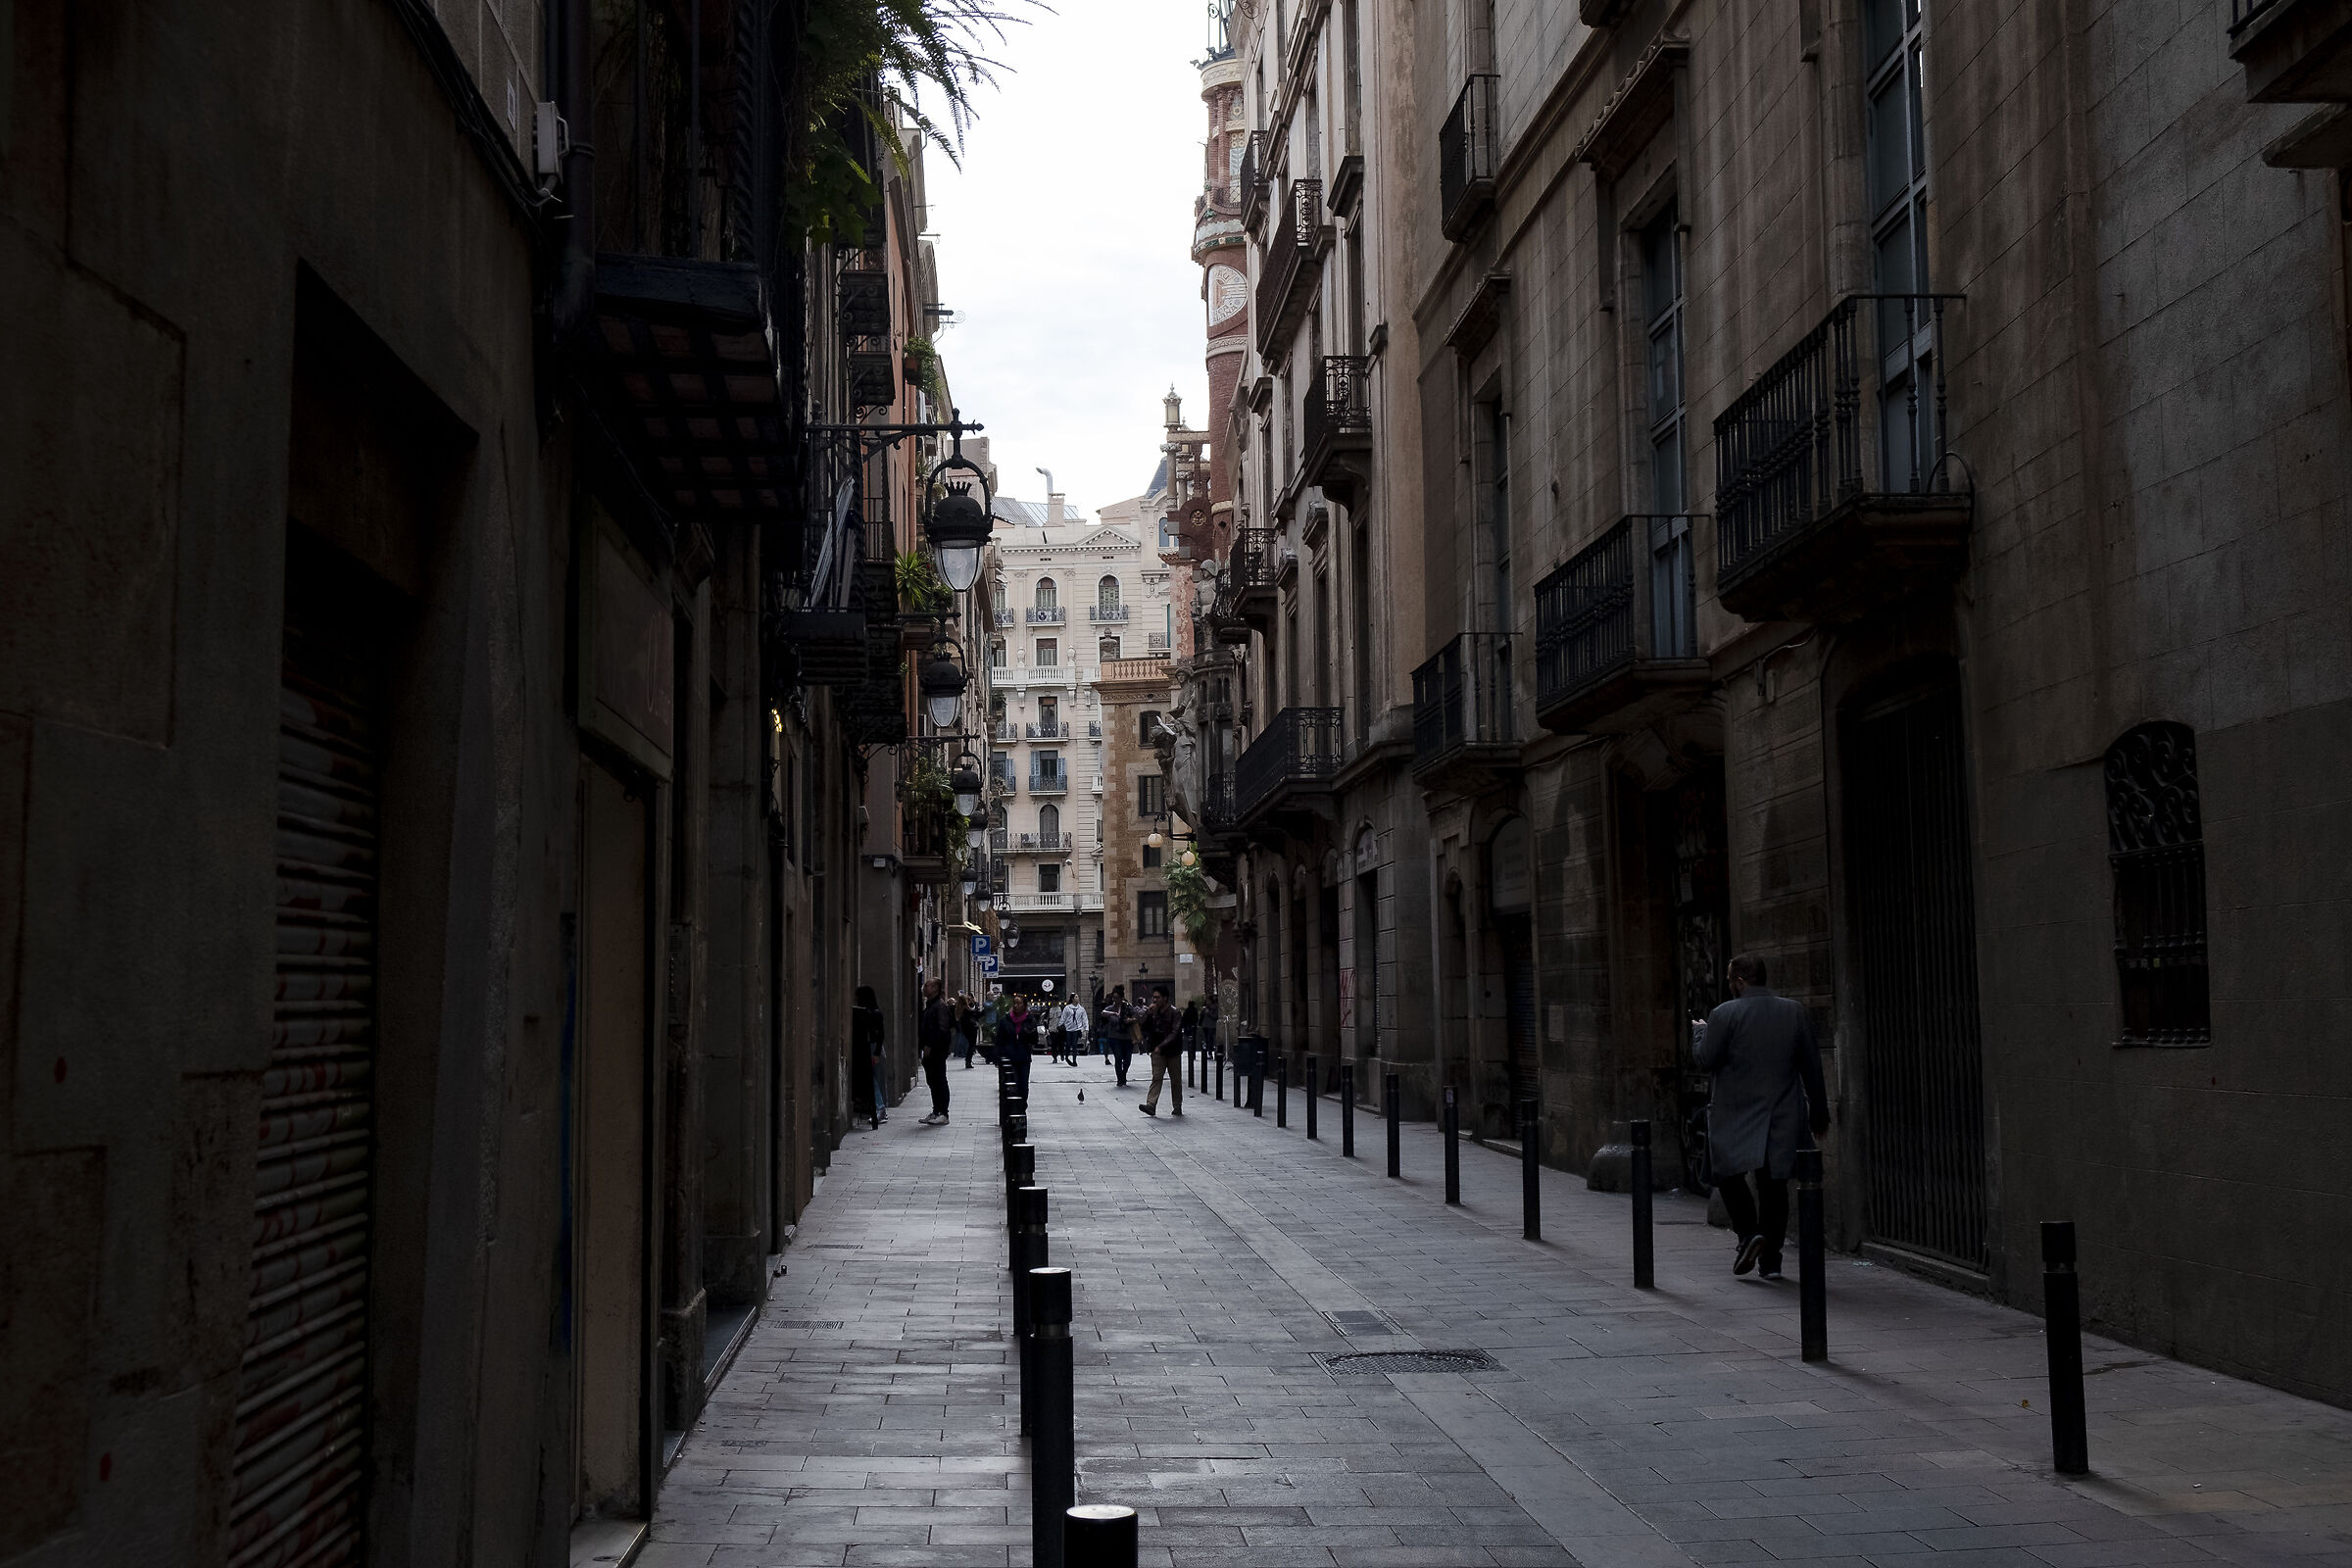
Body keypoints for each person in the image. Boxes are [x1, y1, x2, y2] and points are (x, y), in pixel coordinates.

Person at [1692, 953, 1831, 1281]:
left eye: (1729, 980)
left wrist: (1700, 1032)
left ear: (1739, 981)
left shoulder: (1724, 1014)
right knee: (1774, 1186)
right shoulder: (1793, 1011)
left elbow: (1706, 1059)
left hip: (1735, 1113)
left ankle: (1748, 1235)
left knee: (1728, 1175)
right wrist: (1819, 1114)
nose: (1729, 986)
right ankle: (1772, 1261)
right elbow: (1811, 1065)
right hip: (1781, 1113)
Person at [1138, 986, 1184, 1117]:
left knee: (1175, 1080)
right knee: (1156, 1077)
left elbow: (1175, 1033)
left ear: (1165, 998)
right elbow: (1144, 1027)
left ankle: (1177, 1105)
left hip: (1172, 1051)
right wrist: (1148, 1015)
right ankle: (1151, 1104)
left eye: (1158, 997)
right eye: (1154, 997)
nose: (1155, 1000)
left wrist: (1162, 1045)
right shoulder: (1154, 1013)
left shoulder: (1174, 1013)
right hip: (1157, 1051)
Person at [917, 978, 955, 1125]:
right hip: (929, 1051)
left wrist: (930, 1045)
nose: (924, 988)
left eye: (928, 985)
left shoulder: (940, 1007)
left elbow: (943, 1029)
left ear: (936, 989)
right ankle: (936, 1110)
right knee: (932, 1081)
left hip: (936, 1051)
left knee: (939, 1080)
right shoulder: (930, 1006)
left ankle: (943, 1113)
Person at [852, 984, 888, 1130]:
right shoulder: (865, 1012)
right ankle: (880, 1109)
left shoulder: (874, 1013)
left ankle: (880, 1109)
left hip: (873, 1049)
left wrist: (877, 1053)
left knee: (874, 1080)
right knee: (875, 1080)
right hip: (870, 1049)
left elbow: (880, 1034)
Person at [995, 993, 1039, 1102]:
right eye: (1014, 1003)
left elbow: (1034, 1041)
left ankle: (1022, 1107)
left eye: (1018, 1003)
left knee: (1023, 1085)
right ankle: (1011, 1109)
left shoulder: (1030, 1020)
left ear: (1024, 1005)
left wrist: (1030, 1033)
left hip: (1024, 1058)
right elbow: (999, 1040)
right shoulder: (1005, 1020)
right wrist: (997, 1058)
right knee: (1011, 1085)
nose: (1015, 1006)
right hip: (1009, 1058)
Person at [1097, 986, 1134, 1087]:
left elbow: (1135, 1017)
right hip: (1115, 1037)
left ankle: (1123, 1074)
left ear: (1122, 998)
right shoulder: (1111, 1008)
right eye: (1114, 998)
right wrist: (1113, 1013)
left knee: (1127, 1059)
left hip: (1127, 1037)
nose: (1115, 1000)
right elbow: (1103, 1013)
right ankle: (1119, 1079)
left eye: (1117, 997)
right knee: (1118, 1057)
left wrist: (1130, 1020)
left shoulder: (1128, 1007)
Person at [1060, 996, 1090, 1063]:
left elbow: (1085, 1019)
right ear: (1072, 999)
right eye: (1076, 997)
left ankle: (1074, 1060)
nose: (1078, 998)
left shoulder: (1081, 1009)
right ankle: (1067, 1057)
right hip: (1068, 1029)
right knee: (1068, 1044)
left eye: (1078, 997)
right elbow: (1063, 1017)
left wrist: (1086, 1028)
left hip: (1077, 1029)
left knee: (1074, 1045)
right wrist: (1060, 1025)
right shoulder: (1067, 1008)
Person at [955, 992, 979, 1068]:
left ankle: (968, 1060)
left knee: (971, 1045)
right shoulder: (965, 1008)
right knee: (972, 1045)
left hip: (966, 1028)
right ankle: (968, 1061)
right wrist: (976, 1003)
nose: (969, 1001)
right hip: (970, 1028)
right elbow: (974, 1013)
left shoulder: (960, 1007)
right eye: (968, 999)